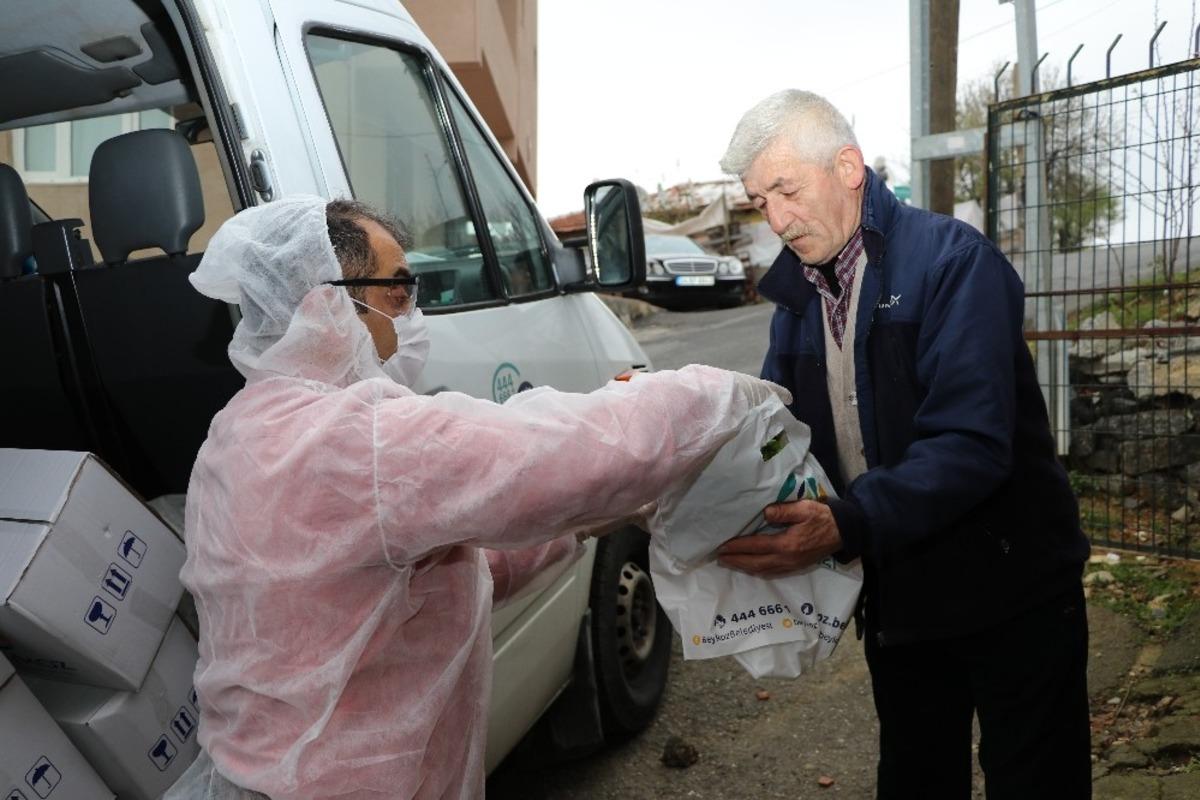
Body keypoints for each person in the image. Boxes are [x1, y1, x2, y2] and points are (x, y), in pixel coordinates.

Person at [164, 195, 788, 800]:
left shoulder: (238, 431)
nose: (412, 314)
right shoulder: (356, 440)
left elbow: (427, 578)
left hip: (258, 774)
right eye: (400, 289)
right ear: (328, 303)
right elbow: (563, 451)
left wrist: (584, 528)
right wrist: (721, 396)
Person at [714, 90, 1091, 799]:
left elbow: (972, 441)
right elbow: (777, 442)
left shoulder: (954, 263)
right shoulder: (797, 303)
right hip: (903, 600)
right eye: (760, 202)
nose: (777, 219)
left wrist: (848, 522)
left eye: (786, 190)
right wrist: (673, 446)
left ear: (849, 166)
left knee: (1037, 780)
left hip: (1014, 591)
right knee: (917, 780)